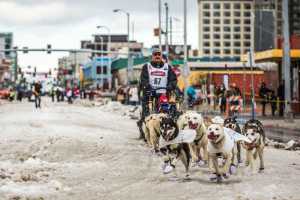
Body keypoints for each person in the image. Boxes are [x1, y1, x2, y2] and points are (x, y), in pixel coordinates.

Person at [137, 48, 177, 139]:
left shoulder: (167, 67)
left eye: (159, 54)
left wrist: (170, 86)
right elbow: (143, 79)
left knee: (167, 112)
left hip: (163, 93)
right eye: (155, 55)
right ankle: (144, 131)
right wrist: (148, 87)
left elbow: (173, 79)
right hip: (149, 93)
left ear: (161, 56)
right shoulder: (146, 66)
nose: (157, 56)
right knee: (146, 113)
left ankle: (166, 129)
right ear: (152, 56)